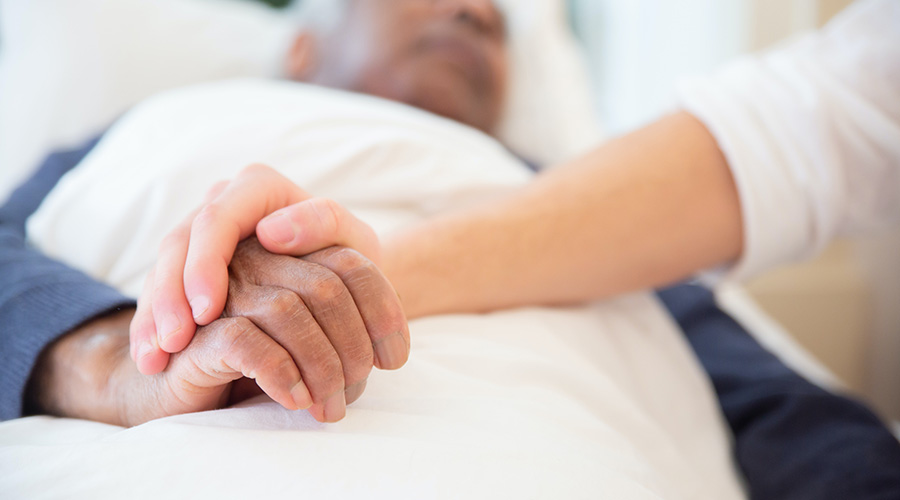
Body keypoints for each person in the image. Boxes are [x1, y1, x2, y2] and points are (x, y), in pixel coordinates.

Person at [1, 0, 898, 497]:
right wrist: (114, 358)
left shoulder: (574, 202)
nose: (477, 11)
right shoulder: (143, 132)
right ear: (305, 48)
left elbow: (778, 411)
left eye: (500, 24)